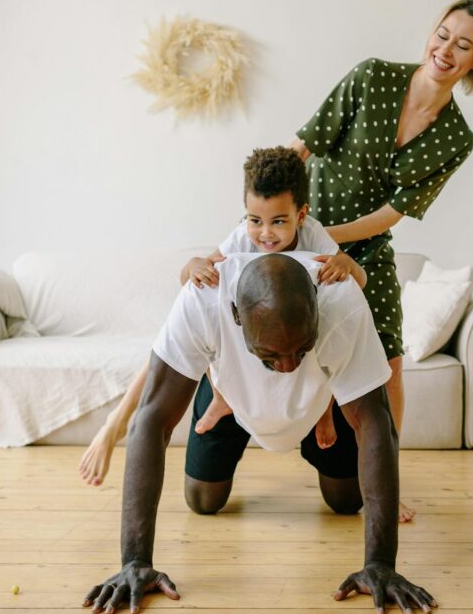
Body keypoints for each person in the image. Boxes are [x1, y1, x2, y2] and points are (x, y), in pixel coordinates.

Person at [83, 252, 438, 614]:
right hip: (232, 397)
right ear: (236, 315)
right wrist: (135, 561)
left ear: (317, 305)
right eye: (272, 355)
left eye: (301, 348)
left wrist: (381, 563)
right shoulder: (204, 298)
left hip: (317, 403)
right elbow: (152, 417)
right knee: (203, 500)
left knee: (347, 501)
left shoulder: (342, 299)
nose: (287, 366)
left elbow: (375, 421)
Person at [290, 0, 473, 522]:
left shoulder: (455, 138)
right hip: (302, 238)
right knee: (306, 344)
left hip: (364, 247)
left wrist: (335, 241)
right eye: (442, 35)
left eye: (463, 45)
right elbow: (304, 145)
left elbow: (393, 212)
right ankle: (316, 426)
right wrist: (272, 214)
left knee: (391, 365)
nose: (446, 49)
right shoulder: (372, 77)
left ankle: (385, 488)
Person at [78, 147, 366, 487]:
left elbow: (357, 286)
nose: (266, 234)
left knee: (334, 329)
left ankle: (325, 410)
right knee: (191, 329)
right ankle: (191, 403)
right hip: (242, 345)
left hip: (301, 346)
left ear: (301, 215)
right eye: (255, 220)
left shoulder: (314, 236)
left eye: (279, 221)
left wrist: (348, 267)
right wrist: (193, 266)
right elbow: (191, 282)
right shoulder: (242, 239)